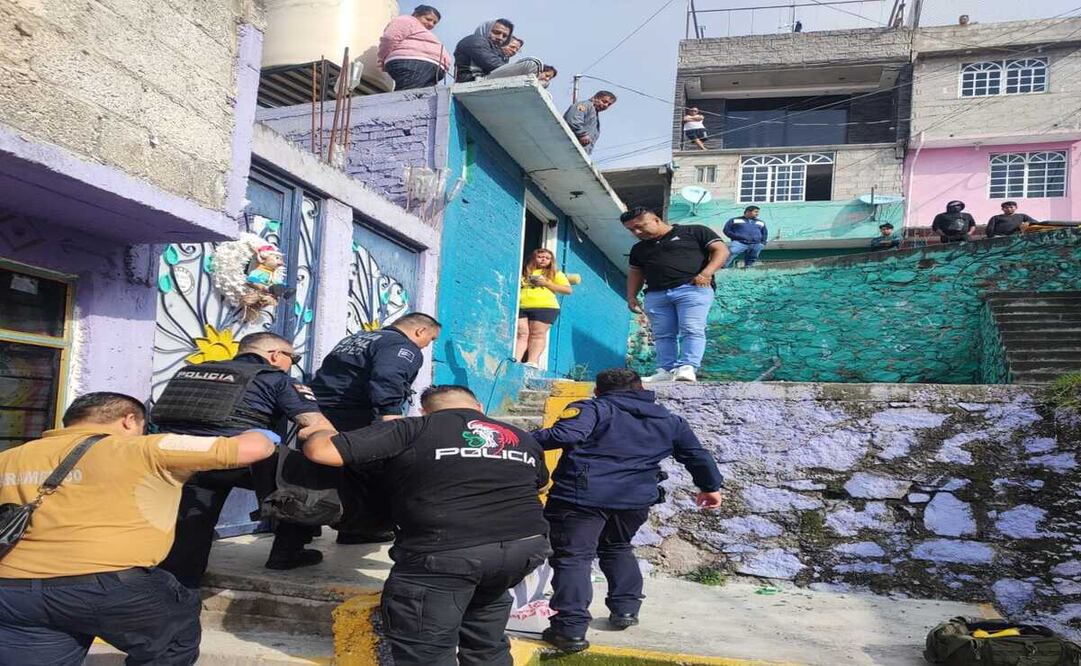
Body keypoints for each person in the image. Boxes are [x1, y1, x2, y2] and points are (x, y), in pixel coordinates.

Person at [0, 392, 276, 665]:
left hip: (13, 592)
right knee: (173, 639)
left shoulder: (9, 458)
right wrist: (260, 432)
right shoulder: (143, 449)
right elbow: (251, 449)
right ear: (129, 421)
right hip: (108, 589)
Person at [302, 385, 550, 666]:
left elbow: (321, 451)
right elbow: (541, 484)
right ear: (478, 407)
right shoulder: (520, 437)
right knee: (486, 641)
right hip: (522, 549)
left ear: (425, 410)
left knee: (426, 652)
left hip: (445, 554)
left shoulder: (413, 428)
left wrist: (319, 431)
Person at [531, 369, 723, 653]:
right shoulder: (668, 419)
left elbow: (564, 434)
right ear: (641, 387)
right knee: (617, 546)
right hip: (634, 500)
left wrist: (516, 438)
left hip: (581, 499)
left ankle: (569, 630)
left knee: (574, 558)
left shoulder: (593, 408)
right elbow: (696, 455)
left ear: (598, 391)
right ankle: (626, 609)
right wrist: (710, 486)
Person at [153, 332, 335, 585]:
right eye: (292, 358)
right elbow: (316, 425)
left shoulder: (191, 371)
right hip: (239, 458)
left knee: (192, 526)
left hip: (179, 457)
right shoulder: (275, 379)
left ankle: (180, 585)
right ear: (275, 355)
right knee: (306, 476)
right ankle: (286, 553)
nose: (291, 365)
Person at [309, 312, 441, 544]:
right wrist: (390, 416)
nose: (427, 345)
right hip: (358, 417)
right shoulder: (403, 346)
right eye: (430, 339)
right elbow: (389, 377)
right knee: (373, 474)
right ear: (420, 331)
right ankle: (361, 530)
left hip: (321, 415)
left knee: (319, 473)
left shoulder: (357, 339)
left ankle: (303, 538)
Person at [623, 207, 729, 384]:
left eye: (640, 226)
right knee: (662, 334)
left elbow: (721, 250)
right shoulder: (639, 249)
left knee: (692, 328)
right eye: (632, 230)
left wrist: (707, 273)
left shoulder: (694, 231)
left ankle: (688, 368)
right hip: (656, 294)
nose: (637, 232)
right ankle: (666, 370)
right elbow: (636, 272)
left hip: (692, 288)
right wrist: (631, 296)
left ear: (656, 219)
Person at [515, 248, 573, 367]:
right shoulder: (525, 273)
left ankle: (532, 361)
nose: (543, 259)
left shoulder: (554, 273)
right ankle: (516, 360)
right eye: (540, 257)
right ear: (534, 258)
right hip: (522, 306)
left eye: (547, 258)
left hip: (545, 307)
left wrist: (547, 283)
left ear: (551, 261)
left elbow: (568, 290)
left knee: (537, 334)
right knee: (522, 333)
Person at [378, 5, 451, 91]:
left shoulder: (420, 31)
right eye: (428, 19)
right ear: (415, 15)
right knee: (408, 96)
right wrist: (382, 58)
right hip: (415, 63)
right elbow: (390, 38)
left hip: (431, 68)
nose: (431, 24)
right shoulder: (407, 20)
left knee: (420, 99)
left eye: (434, 22)